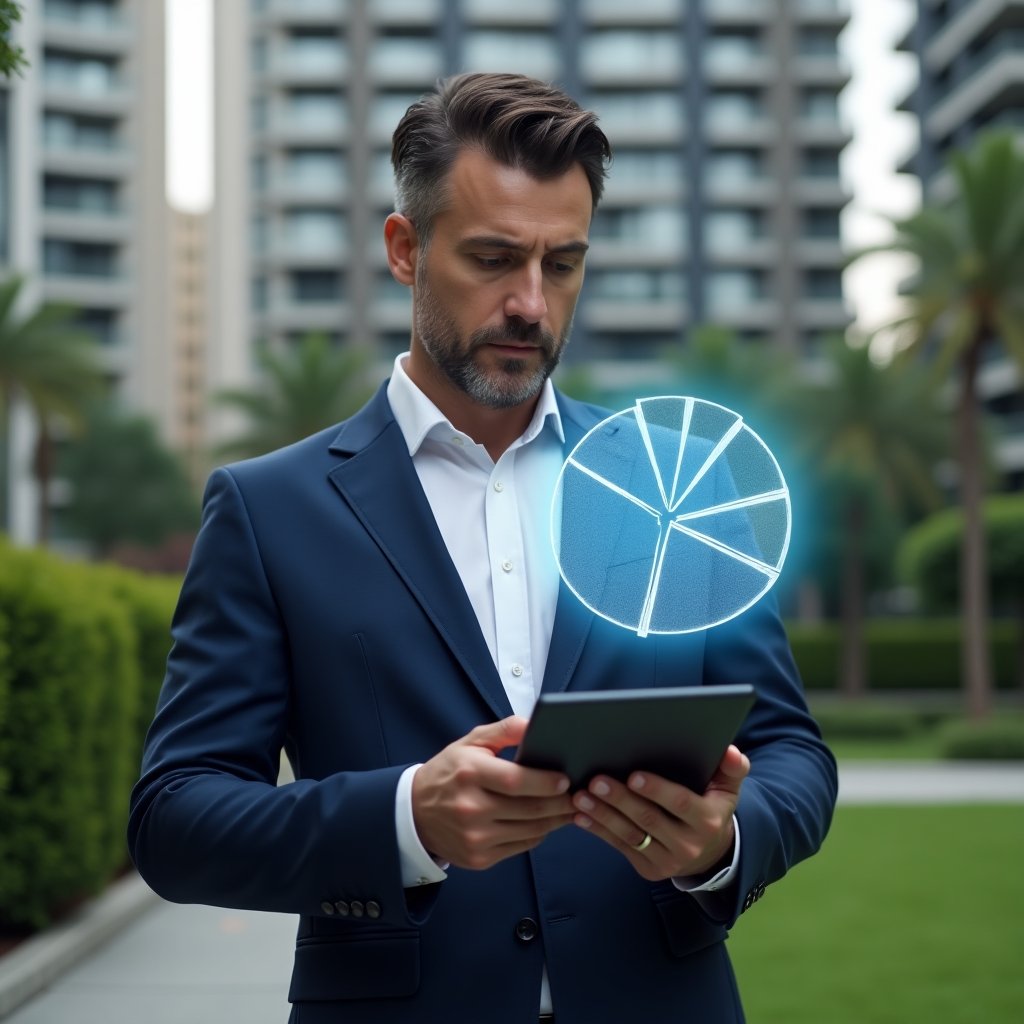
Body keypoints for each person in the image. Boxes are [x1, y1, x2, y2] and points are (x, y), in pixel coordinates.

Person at [129, 73, 837, 1023]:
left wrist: (723, 844)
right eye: (494, 258)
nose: (532, 304)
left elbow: (791, 750)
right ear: (405, 248)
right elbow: (176, 818)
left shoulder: (681, 489)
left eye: (563, 263)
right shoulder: (268, 511)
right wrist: (405, 819)